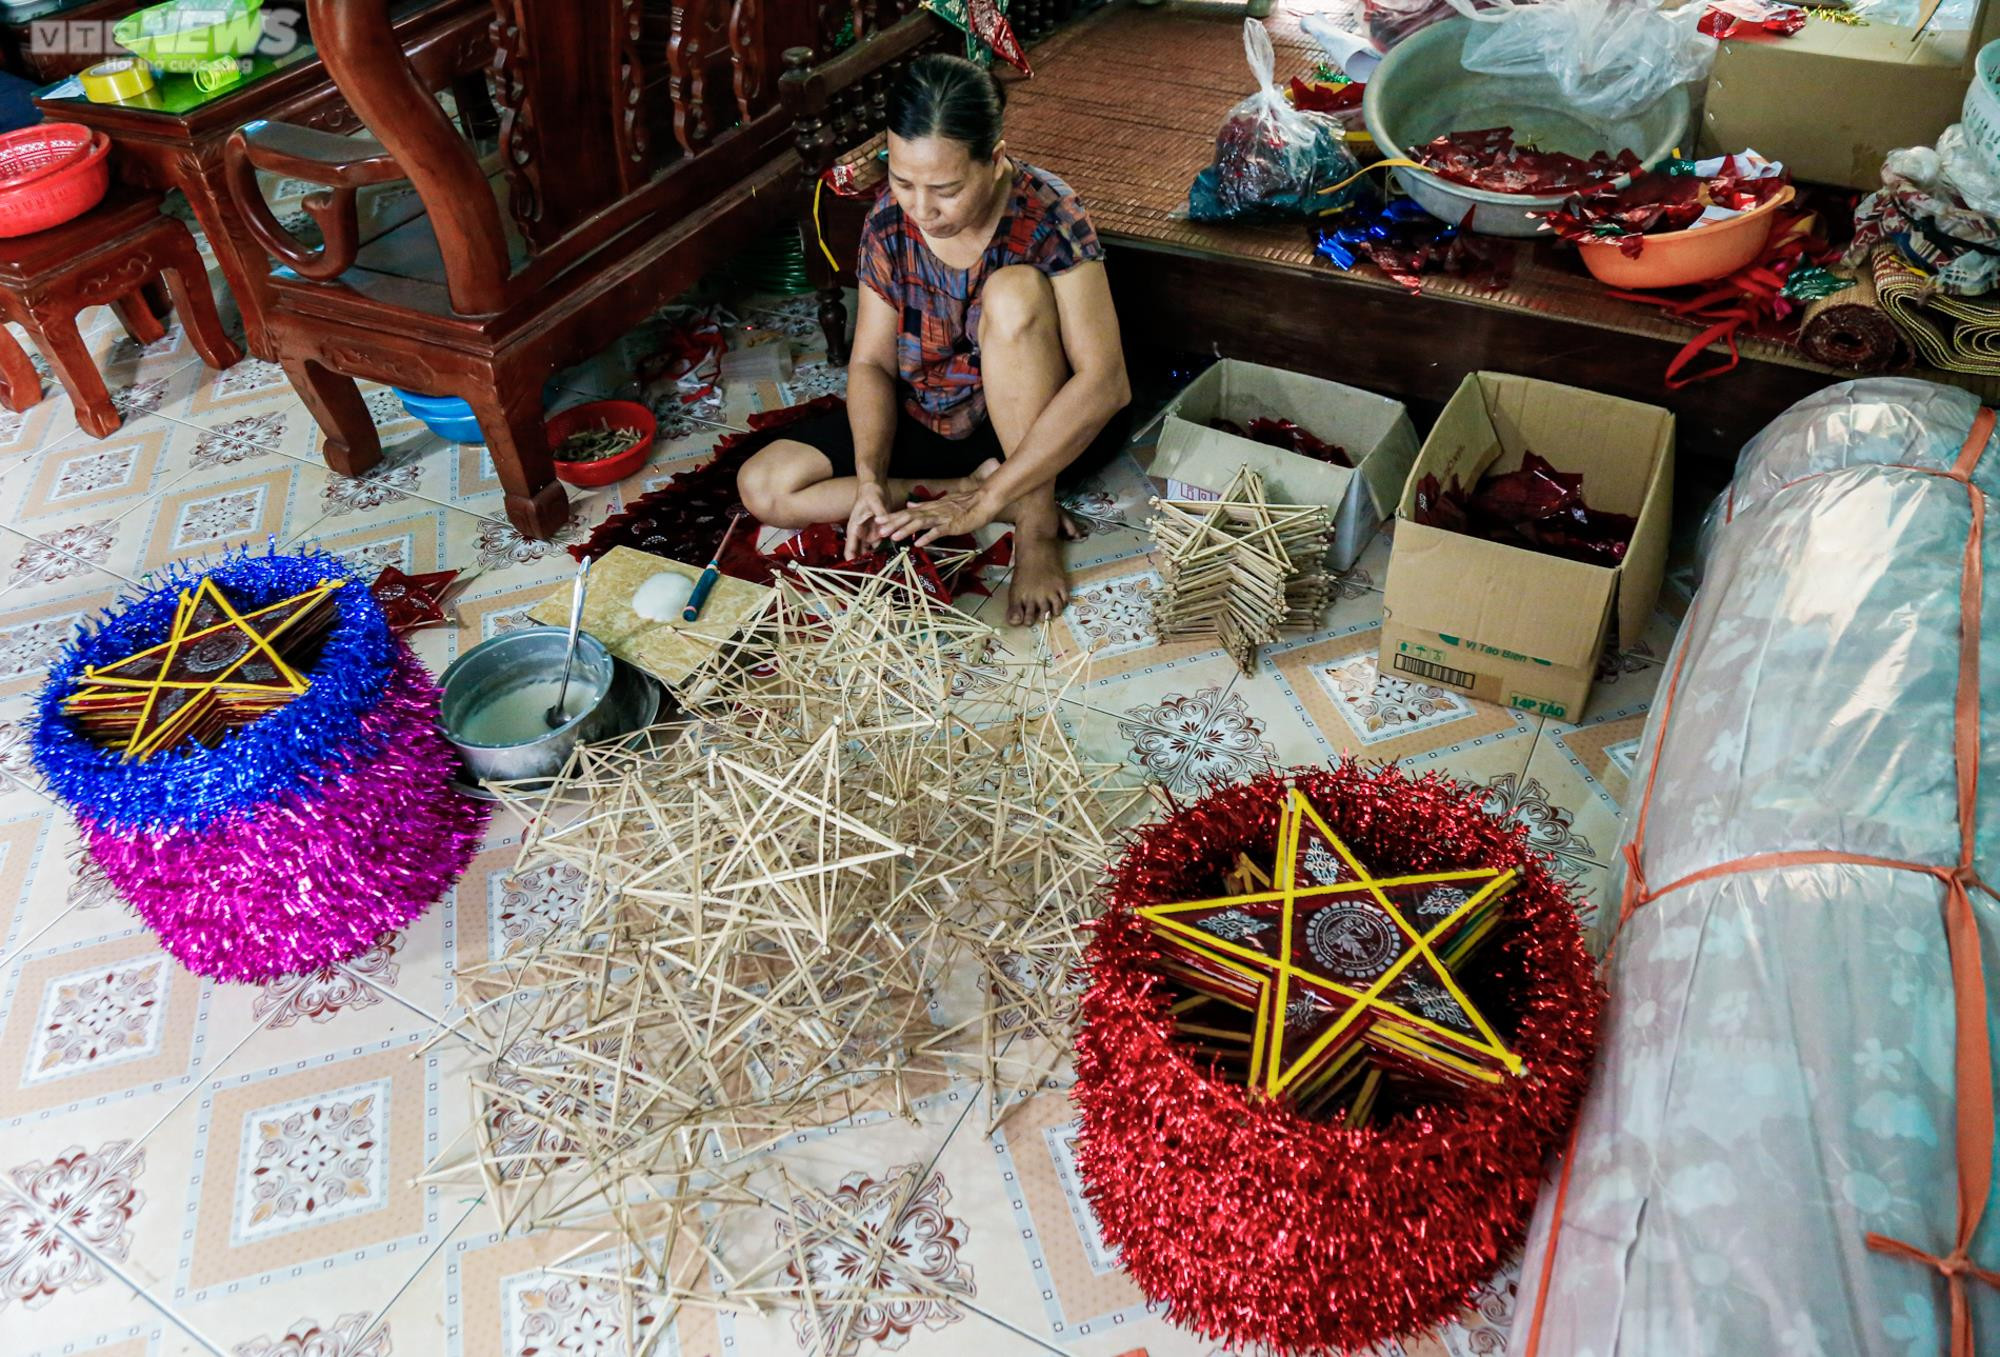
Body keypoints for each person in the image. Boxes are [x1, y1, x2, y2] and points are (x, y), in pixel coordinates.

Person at [736, 54, 1132, 626]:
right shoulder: (889, 220)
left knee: (1014, 293)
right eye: (902, 181)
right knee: (765, 485)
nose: (922, 208)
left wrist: (993, 503)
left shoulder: (1046, 212)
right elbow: (871, 364)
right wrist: (871, 479)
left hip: (1034, 424)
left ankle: (1033, 516)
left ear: (993, 160)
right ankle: (965, 485)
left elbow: (1106, 383)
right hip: (931, 412)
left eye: (945, 188)